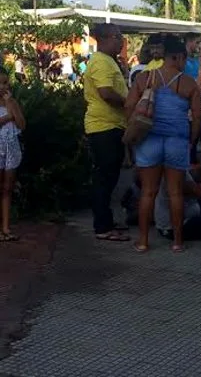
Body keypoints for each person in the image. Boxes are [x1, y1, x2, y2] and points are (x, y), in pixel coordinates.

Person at [126, 35, 201, 253]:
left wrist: (132, 132)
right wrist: (192, 140)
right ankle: (177, 242)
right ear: (178, 57)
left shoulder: (144, 78)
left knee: (148, 192)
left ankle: (142, 241)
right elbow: (198, 117)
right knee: (175, 192)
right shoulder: (188, 83)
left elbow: (129, 105)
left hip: (149, 140)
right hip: (177, 141)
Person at [84, 23, 130, 242]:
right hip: (103, 126)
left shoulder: (109, 61)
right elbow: (106, 92)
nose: (121, 42)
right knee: (104, 178)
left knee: (109, 177)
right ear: (107, 38)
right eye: (119, 37)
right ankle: (102, 226)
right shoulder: (101, 61)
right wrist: (128, 103)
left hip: (113, 125)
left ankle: (107, 222)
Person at [155, 149, 201, 241]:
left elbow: (196, 172)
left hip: (186, 212)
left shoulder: (175, 164)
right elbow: (200, 192)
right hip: (174, 227)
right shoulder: (174, 173)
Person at [0, 67, 25, 242]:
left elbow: (22, 124)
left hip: (11, 148)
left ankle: (6, 227)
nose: (4, 86)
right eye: (0, 83)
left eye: (6, 82)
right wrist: (8, 117)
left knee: (7, 188)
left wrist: (10, 107)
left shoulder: (12, 103)